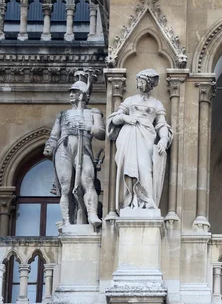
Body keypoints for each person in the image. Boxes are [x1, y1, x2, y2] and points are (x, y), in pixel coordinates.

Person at [44, 73, 105, 227]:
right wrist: (49, 146)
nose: (71, 95)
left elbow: (102, 133)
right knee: (66, 187)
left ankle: (91, 214)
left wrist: (89, 127)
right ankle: (67, 221)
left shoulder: (93, 112)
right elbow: (54, 135)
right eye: (71, 92)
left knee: (88, 182)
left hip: (83, 148)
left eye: (75, 92)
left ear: (83, 95)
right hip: (64, 148)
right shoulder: (63, 115)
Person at [107, 69, 172, 211]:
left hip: (147, 137)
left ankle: (147, 201)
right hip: (129, 135)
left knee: (145, 168)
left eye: (143, 81)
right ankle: (130, 202)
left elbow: (161, 124)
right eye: (139, 81)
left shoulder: (156, 104)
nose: (140, 84)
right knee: (130, 167)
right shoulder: (130, 101)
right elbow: (115, 119)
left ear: (149, 84)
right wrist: (126, 118)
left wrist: (164, 139)